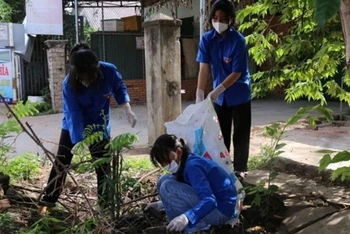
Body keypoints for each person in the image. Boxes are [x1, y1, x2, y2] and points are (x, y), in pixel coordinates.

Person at [38, 43, 137, 208]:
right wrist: (79, 141)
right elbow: (73, 113)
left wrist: (127, 108)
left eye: (90, 75)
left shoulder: (109, 71)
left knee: (103, 166)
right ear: (76, 73)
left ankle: (106, 205)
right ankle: (48, 200)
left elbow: (119, 87)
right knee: (62, 162)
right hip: (72, 124)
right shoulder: (68, 84)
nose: (87, 80)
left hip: (100, 124)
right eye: (83, 77)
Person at [195, 0, 251, 177]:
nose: (218, 21)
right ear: (211, 18)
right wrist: (199, 93)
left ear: (231, 20)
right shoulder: (206, 39)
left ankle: (240, 169)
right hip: (219, 98)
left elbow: (236, 73)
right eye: (215, 17)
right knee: (221, 133)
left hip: (239, 93)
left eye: (223, 18)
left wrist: (217, 90)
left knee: (240, 133)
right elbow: (204, 68)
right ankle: (223, 165)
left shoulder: (238, 41)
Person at [145, 134, 238, 233]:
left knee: (167, 186)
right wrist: (160, 204)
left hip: (220, 212)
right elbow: (190, 191)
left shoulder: (192, 166)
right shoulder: (185, 162)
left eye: (165, 161)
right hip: (214, 207)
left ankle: (198, 228)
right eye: (161, 162)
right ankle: (174, 226)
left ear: (179, 152)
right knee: (163, 180)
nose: (164, 165)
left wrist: (187, 217)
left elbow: (210, 200)